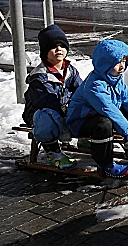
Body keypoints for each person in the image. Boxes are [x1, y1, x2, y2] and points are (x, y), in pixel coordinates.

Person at [66, 39, 128, 178]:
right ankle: (105, 165)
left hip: (99, 116)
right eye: (118, 62)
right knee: (104, 124)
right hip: (80, 121)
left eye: (124, 61)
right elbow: (109, 109)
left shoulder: (115, 80)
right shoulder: (95, 86)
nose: (122, 66)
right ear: (105, 63)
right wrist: (127, 133)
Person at [22, 24, 83, 170]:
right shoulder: (39, 77)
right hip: (41, 116)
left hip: (65, 111)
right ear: (45, 51)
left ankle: (86, 141)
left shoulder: (70, 71)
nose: (59, 49)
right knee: (47, 116)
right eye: (53, 46)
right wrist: (70, 110)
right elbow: (47, 102)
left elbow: (80, 91)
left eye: (62, 45)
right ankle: (52, 150)